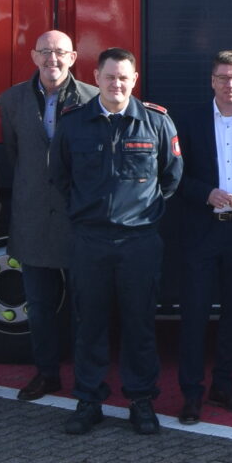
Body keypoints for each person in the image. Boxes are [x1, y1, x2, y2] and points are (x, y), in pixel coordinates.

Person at [53, 49, 184, 435]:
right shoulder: (74, 123)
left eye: (124, 77)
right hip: (90, 240)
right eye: (109, 77)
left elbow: (171, 178)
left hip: (138, 241)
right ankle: (88, 400)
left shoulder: (157, 123)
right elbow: (60, 177)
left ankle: (141, 401)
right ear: (96, 77)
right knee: (88, 323)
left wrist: (139, 214)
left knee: (139, 324)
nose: (117, 84)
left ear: (135, 78)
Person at [170, 49, 232, 425]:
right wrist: (204, 193)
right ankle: (191, 394)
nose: (230, 85)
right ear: (212, 80)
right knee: (194, 316)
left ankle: (223, 386)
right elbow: (174, 175)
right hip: (201, 233)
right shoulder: (189, 121)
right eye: (223, 78)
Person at [0, 30, 95, 403]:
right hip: (33, 216)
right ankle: (46, 374)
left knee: (84, 306)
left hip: (78, 219)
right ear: (34, 57)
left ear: (73, 58)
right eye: (45, 52)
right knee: (37, 306)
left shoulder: (91, 99)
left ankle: (86, 381)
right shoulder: (12, 100)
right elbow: (15, 155)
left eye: (60, 53)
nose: (52, 59)